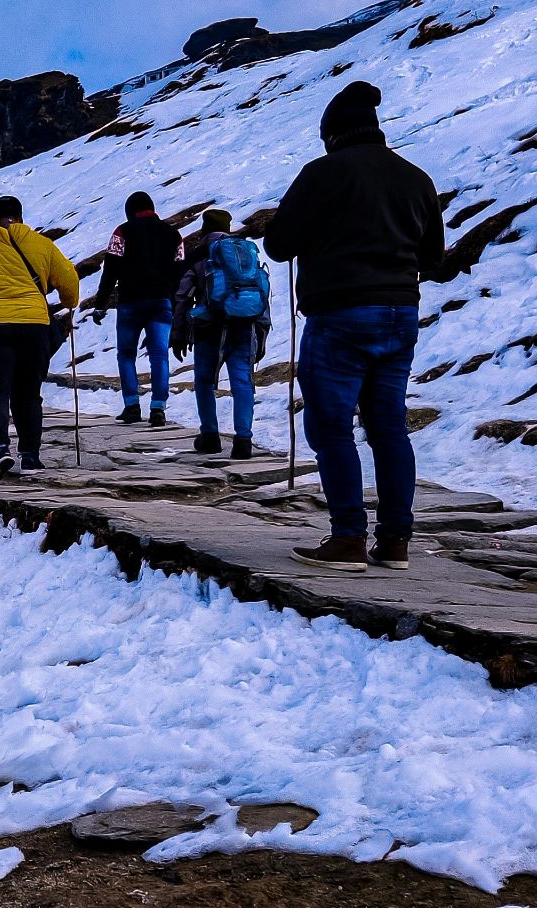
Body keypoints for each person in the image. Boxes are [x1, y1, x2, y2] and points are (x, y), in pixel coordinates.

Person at [266, 80, 446, 573]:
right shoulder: (416, 178)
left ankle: (347, 537)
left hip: (340, 315)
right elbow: (432, 258)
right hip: (399, 314)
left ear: (333, 134)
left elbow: (279, 245)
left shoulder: (322, 173)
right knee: (388, 427)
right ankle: (395, 543)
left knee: (330, 426)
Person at [0, 194, 80, 479]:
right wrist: (70, 301)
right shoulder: (42, 245)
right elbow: (69, 279)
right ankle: (30, 456)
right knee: (28, 394)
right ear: (21, 217)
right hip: (34, 327)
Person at [172, 208, 272, 459]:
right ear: (228, 228)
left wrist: (179, 333)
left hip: (209, 330)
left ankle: (210, 436)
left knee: (205, 382)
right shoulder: (244, 253)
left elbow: (182, 297)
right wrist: (261, 335)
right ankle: (243, 440)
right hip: (244, 325)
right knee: (242, 381)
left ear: (205, 229)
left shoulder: (199, 256)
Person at [90, 191, 184, 426]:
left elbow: (110, 269)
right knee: (160, 355)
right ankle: (158, 408)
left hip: (130, 302)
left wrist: (100, 304)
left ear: (130, 211)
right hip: (161, 301)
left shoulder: (122, 232)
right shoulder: (173, 235)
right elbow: (180, 270)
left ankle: (132, 404)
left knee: (126, 355)